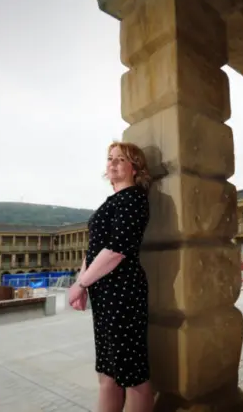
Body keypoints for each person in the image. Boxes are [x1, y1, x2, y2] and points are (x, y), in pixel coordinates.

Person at [68, 141, 153, 412]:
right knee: (107, 371)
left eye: (120, 159)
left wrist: (82, 283)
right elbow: (93, 249)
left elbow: (116, 250)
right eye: (110, 158)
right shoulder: (113, 201)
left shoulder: (134, 198)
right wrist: (81, 285)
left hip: (123, 292)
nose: (112, 163)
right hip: (104, 294)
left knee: (132, 374)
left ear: (135, 168)